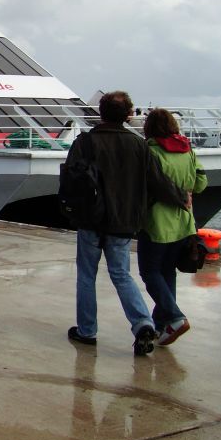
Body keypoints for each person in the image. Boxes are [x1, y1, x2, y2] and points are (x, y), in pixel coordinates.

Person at [65, 91, 187, 356]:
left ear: (101, 112)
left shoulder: (85, 142)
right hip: (123, 222)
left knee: (87, 276)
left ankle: (87, 331)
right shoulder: (139, 145)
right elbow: (158, 181)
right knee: (121, 274)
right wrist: (181, 199)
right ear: (129, 115)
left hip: (90, 221)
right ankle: (142, 322)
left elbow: (69, 181)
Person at [138, 109, 207, 346]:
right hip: (183, 222)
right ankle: (162, 325)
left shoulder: (150, 151)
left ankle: (175, 317)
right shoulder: (188, 150)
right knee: (167, 272)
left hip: (157, 221)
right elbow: (200, 183)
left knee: (149, 272)